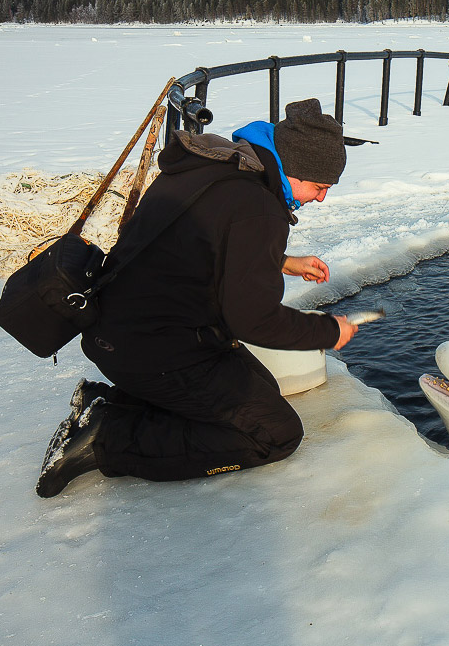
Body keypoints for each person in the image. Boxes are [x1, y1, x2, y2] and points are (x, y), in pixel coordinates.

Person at [36, 98, 359, 498]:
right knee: (275, 433)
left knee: (261, 390)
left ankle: (108, 404)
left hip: (123, 328)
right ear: (294, 169)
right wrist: (328, 330)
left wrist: (283, 262)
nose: (322, 198)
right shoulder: (260, 210)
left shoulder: (220, 166)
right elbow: (253, 319)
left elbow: (202, 240)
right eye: (320, 187)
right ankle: (106, 439)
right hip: (156, 345)